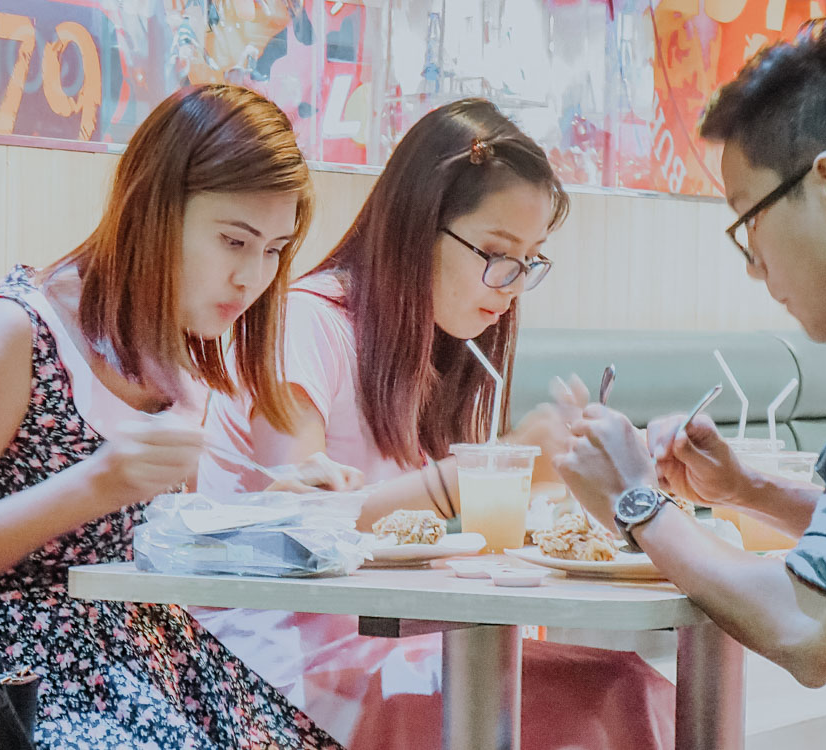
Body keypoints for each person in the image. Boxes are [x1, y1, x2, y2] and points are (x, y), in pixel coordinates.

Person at [197, 98, 678, 750]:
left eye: (530, 260)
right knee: (617, 695)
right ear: (418, 224)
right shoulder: (308, 324)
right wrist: (481, 474)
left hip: (400, 643)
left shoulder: (437, 352)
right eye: (496, 252)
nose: (509, 284)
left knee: (623, 686)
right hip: (281, 676)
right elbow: (298, 526)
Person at [556, 15, 826, 750]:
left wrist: (637, 502)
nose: (753, 267)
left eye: (746, 219)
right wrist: (745, 491)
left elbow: (809, 633)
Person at [0, 83, 347, 749]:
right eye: (234, 241)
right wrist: (93, 484)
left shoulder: (176, 350)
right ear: (152, 210)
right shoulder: (16, 332)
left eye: (274, 249)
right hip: (18, 675)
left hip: (149, 656)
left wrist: (266, 514)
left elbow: (148, 550)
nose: (253, 277)